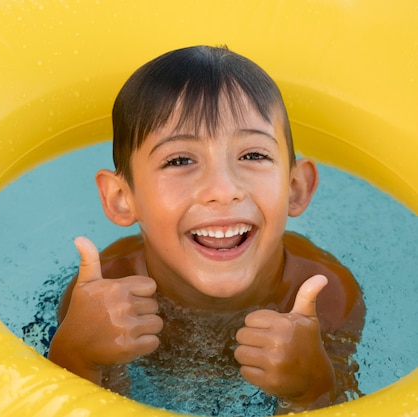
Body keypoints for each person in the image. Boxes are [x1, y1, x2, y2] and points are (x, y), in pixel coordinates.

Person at [47, 45, 365, 415]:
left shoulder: (326, 298)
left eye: (253, 155)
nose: (223, 190)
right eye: (180, 160)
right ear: (122, 198)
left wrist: (310, 391)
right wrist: (75, 355)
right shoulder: (103, 293)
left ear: (296, 188)